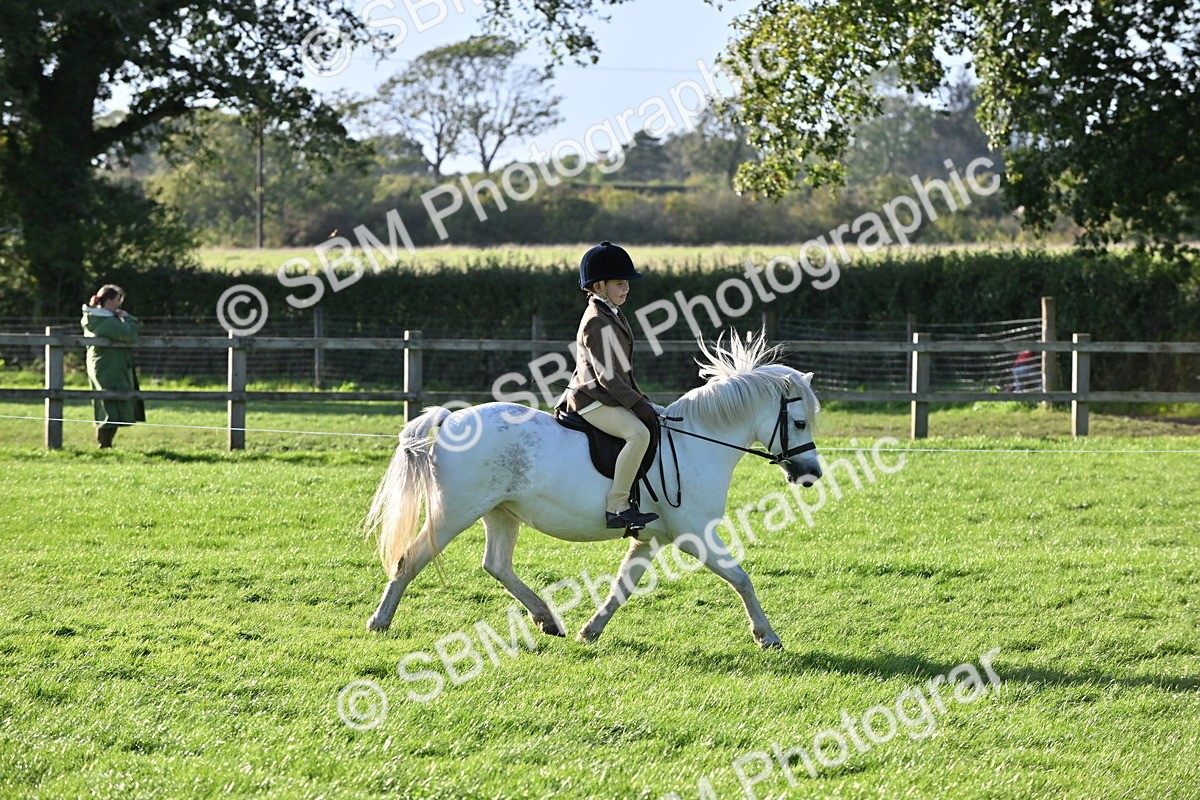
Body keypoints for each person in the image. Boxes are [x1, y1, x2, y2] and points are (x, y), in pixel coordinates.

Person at [556, 242, 662, 529]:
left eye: (626, 283)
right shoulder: (597, 322)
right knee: (638, 435)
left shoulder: (611, 313)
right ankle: (617, 507)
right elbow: (608, 378)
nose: (626, 288)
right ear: (599, 286)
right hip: (592, 399)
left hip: (607, 395)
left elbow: (622, 371)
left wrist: (643, 399)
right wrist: (639, 406)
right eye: (619, 283)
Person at [81, 284, 144, 448]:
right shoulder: (105, 321)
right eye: (117, 300)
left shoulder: (97, 318)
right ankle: (104, 444)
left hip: (108, 364)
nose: (119, 304)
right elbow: (130, 335)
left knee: (109, 401)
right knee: (111, 401)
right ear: (108, 301)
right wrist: (128, 318)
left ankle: (105, 444)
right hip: (110, 366)